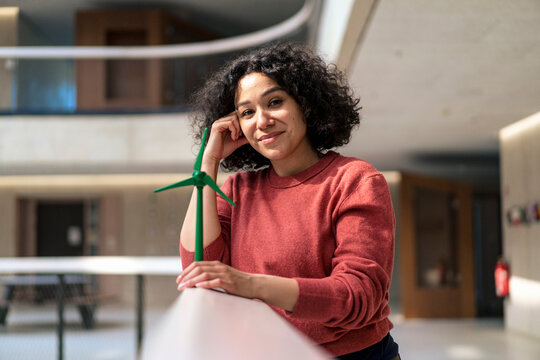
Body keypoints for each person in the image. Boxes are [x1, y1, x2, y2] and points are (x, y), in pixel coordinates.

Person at [176, 42, 400, 360]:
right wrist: (207, 163)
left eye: (275, 102)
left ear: (305, 105)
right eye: (247, 112)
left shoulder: (355, 180)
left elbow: (359, 296)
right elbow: (201, 268)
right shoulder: (238, 188)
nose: (262, 121)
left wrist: (251, 284)